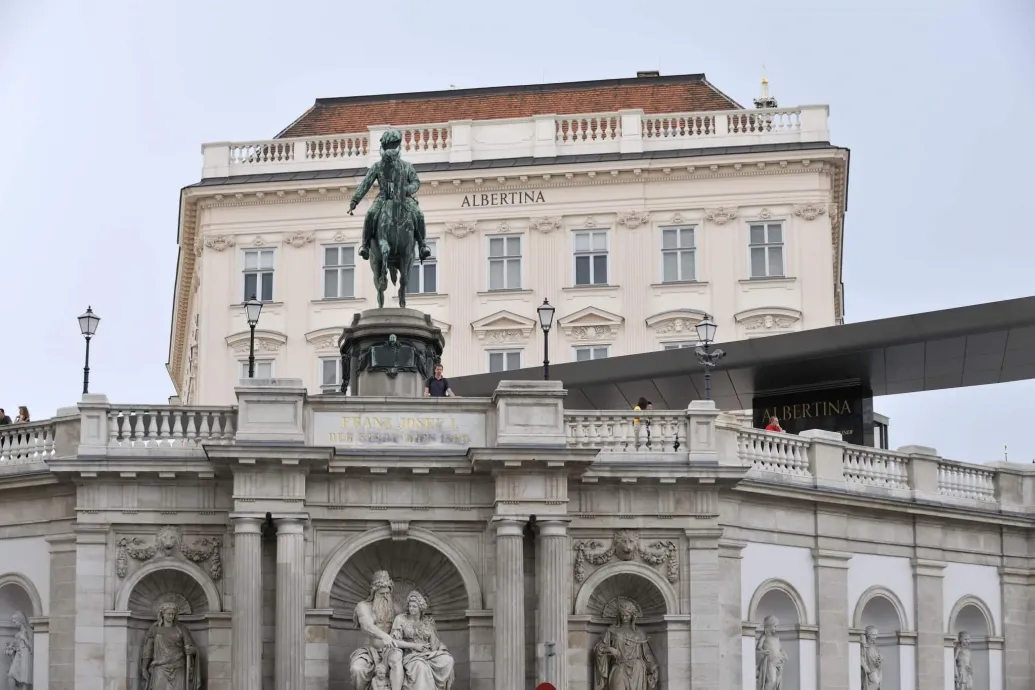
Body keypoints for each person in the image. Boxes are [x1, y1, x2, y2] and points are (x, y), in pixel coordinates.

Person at [389, 590, 455, 690]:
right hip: (411, 654)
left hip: (427, 654)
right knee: (421, 667)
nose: (411, 608)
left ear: (420, 608)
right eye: (410, 606)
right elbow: (394, 641)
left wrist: (440, 649)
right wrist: (414, 646)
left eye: (414, 606)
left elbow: (434, 641)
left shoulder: (427, 622)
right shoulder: (401, 619)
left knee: (448, 660)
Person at [351, 570, 405, 690]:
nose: (385, 597)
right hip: (369, 651)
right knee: (357, 669)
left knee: (396, 659)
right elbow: (367, 626)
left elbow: (405, 626)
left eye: (387, 593)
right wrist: (384, 636)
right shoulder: (363, 606)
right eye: (381, 594)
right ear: (373, 593)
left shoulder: (396, 608)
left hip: (390, 650)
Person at [593, 599, 659, 690]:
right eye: (622, 615)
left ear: (632, 616)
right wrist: (609, 649)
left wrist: (654, 668)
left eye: (627, 615)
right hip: (619, 665)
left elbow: (647, 654)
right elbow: (598, 647)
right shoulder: (611, 630)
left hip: (637, 669)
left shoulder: (639, 632)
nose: (624, 618)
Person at [140, 603, 201, 690]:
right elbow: (148, 651)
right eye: (169, 614)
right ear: (162, 614)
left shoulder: (182, 629)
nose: (171, 616)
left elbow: (192, 647)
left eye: (173, 614)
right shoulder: (155, 629)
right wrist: (144, 668)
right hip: (160, 666)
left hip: (178, 666)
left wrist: (192, 651)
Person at [6, 611, 32, 690]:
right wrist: (10, 648)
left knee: (24, 678)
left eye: (14, 619)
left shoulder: (28, 631)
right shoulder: (18, 634)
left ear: (20, 619)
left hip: (26, 655)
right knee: (11, 674)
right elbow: (16, 647)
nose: (13, 621)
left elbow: (32, 647)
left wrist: (24, 638)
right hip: (18, 656)